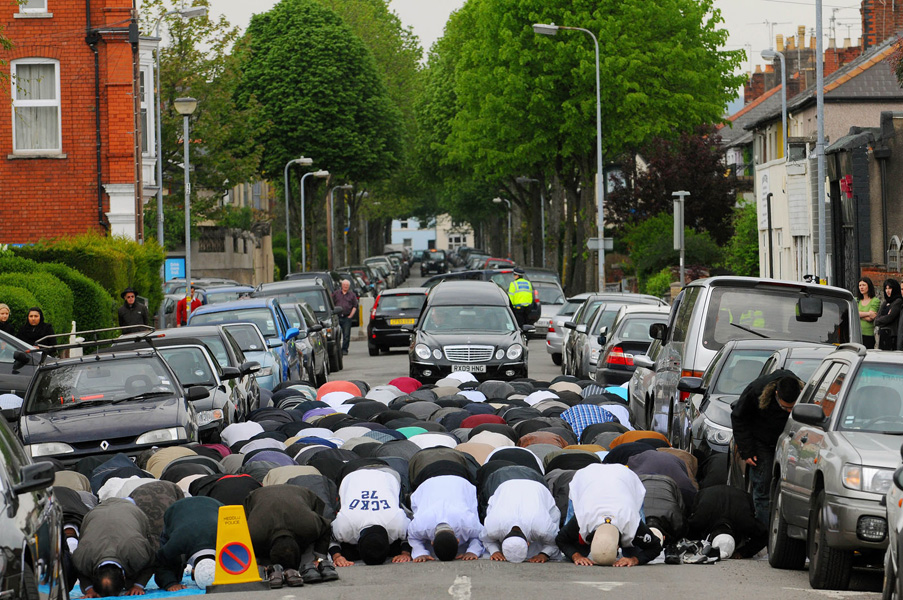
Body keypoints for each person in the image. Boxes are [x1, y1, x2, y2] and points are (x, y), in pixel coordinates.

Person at [730, 370, 804, 523]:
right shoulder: (756, 391)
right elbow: (739, 418)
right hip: (761, 441)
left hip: (790, 442)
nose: (789, 412)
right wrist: (747, 451)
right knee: (763, 483)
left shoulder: (806, 394)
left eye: (793, 409)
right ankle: (763, 527)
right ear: (776, 394)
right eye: (785, 408)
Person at [555, 463, 662, 567]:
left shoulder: (632, 524)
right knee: (577, 551)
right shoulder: (582, 518)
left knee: (634, 552)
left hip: (626, 478)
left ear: (617, 546)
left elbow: (655, 546)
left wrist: (634, 560)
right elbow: (561, 539)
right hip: (585, 479)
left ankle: (646, 538)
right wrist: (576, 556)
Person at [244, 485, 338, 588]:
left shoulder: (308, 526)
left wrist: (319, 559)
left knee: (317, 523)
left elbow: (326, 526)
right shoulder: (253, 533)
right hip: (256, 496)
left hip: (302, 494)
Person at [71, 498, 160, 597]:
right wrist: (89, 589)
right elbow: (78, 568)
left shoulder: (136, 549)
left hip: (130, 510)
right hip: (95, 513)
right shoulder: (83, 554)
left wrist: (138, 586)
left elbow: (151, 561)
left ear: (124, 577)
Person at [329, 464, 412, 566]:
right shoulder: (346, 524)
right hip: (356, 473)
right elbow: (412, 533)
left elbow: (328, 537)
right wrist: (406, 552)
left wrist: (337, 556)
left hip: (375, 473)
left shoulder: (395, 523)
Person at [479, 465, 561, 563]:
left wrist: (544, 554)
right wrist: (495, 551)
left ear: (528, 543)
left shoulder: (542, 528)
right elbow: (486, 539)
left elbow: (556, 541)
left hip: (537, 488)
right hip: (506, 487)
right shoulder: (493, 527)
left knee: (550, 531)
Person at [155, 496, 223, 591]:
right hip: (176, 510)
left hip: (214, 504)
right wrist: (170, 583)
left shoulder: (225, 537)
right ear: (193, 571)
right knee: (171, 563)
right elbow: (160, 560)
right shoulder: (177, 542)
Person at [687, 485, 767, 560]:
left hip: (731, 496)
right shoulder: (700, 519)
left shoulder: (745, 522)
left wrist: (743, 552)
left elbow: (764, 535)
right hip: (709, 496)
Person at [875, 278, 903, 350]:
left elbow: (890, 317)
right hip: (883, 334)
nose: (887, 291)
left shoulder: (898, 301)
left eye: (890, 288)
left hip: (892, 335)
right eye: (886, 288)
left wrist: (882, 318)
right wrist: (884, 318)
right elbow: (876, 320)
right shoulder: (885, 302)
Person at [332, 279, 358, 355]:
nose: (345, 286)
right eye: (344, 285)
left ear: (349, 286)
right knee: (337, 335)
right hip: (337, 317)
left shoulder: (352, 295)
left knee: (346, 335)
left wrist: (351, 315)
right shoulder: (336, 294)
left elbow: (355, 306)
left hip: (347, 317)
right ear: (342, 285)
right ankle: (337, 349)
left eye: (347, 285)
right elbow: (331, 304)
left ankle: (344, 349)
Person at [857, 277, 880, 349]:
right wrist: (868, 313)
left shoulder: (875, 301)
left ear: (869, 286)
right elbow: (852, 313)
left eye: (864, 285)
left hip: (868, 335)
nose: (861, 287)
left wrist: (858, 314)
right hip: (857, 334)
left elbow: (871, 318)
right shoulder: (856, 300)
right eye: (860, 285)